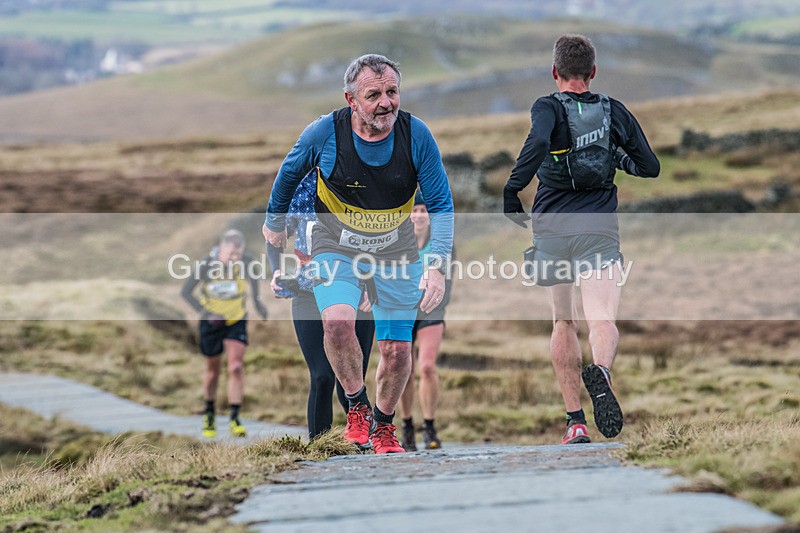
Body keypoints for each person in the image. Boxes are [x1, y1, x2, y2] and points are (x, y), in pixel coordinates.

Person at [263, 54, 454, 453]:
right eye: (374, 94)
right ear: (351, 99)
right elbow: (287, 175)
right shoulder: (324, 133)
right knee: (336, 323)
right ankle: (356, 407)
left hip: (396, 249)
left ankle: (384, 425)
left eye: (392, 92)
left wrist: (435, 265)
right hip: (335, 245)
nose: (386, 102)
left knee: (397, 349)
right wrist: (275, 223)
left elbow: (441, 203)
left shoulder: (416, 135)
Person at [503, 34, 660, 445]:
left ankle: (575, 421)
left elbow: (537, 142)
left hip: (552, 227)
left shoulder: (548, 106)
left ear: (555, 72)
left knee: (563, 320)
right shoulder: (614, 111)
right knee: (602, 318)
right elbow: (651, 166)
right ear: (592, 72)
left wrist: (511, 190)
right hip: (599, 228)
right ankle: (602, 372)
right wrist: (616, 156)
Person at [267, 170, 376, 441]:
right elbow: (274, 236)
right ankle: (320, 446)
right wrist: (277, 271)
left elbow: (382, 243)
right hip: (307, 293)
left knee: (352, 379)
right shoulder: (300, 190)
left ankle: (365, 440)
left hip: (354, 291)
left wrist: (372, 286)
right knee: (322, 376)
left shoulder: (363, 183)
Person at [181, 229, 268, 438]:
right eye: (232, 254)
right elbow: (185, 292)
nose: (235, 258)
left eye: (239, 254)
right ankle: (209, 414)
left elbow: (254, 283)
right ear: (222, 247)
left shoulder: (246, 262)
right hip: (211, 323)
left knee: (236, 367)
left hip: (236, 319)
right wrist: (206, 313)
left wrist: (257, 302)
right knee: (213, 371)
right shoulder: (206, 264)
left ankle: (235, 418)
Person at [398, 191, 454, 451]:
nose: (419, 215)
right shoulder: (397, 242)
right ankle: (407, 425)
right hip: (402, 309)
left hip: (431, 310)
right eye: (415, 210)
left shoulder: (442, 245)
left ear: (430, 217)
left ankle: (429, 427)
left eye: (424, 210)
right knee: (403, 370)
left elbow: (447, 281)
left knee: (427, 367)